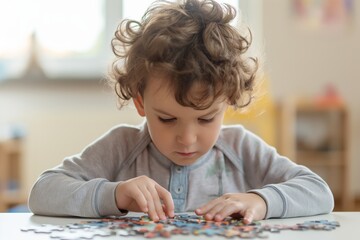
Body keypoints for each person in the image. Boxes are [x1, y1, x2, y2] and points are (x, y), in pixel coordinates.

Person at [28, 0, 334, 224]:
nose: (187, 139)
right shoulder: (121, 147)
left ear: (227, 101)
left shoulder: (240, 148)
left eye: (205, 118)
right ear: (140, 103)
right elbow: (43, 192)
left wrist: (262, 200)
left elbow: (318, 192)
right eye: (167, 118)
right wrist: (116, 194)